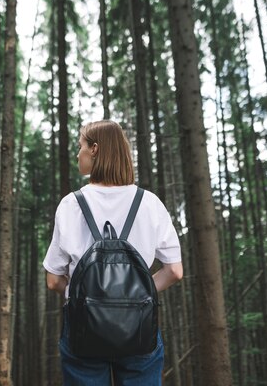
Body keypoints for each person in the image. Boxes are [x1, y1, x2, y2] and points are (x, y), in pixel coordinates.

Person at [43, 119, 184, 385]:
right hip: (138, 328)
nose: (77, 153)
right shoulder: (149, 202)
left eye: (80, 146)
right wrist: (134, 292)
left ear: (94, 149)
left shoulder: (71, 204)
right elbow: (175, 271)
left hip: (84, 327)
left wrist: (86, 295)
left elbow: (52, 280)